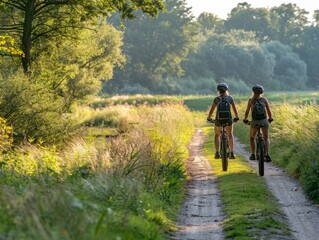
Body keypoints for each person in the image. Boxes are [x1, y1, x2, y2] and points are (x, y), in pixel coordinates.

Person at [207, 83, 239, 159]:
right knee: (230, 135)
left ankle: (217, 152)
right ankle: (231, 153)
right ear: (226, 90)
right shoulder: (230, 98)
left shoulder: (217, 99)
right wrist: (237, 117)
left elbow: (212, 110)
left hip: (218, 120)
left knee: (217, 135)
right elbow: (235, 110)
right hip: (228, 119)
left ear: (218, 91)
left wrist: (209, 117)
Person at [243, 84, 273, 162]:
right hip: (264, 121)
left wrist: (245, 119)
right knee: (266, 138)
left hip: (254, 121)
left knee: (252, 138)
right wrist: (270, 118)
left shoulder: (251, 100)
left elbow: (247, 112)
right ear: (261, 92)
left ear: (253, 92)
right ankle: (267, 155)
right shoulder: (264, 100)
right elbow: (269, 111)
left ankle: (253, 154)